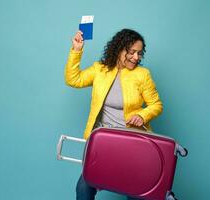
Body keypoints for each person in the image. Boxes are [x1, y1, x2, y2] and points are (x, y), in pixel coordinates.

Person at [64, 28, 163, 200]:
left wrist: (142, 115)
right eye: (131, 52)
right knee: (84, 188)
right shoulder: (100, 70)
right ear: (119, 49)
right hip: (102, 143)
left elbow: (156, 105)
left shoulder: (142, 75)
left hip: (131, 143)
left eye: (139, 53)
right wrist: (76, 51)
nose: (136, 57)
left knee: (134, 192)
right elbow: (74, 79)